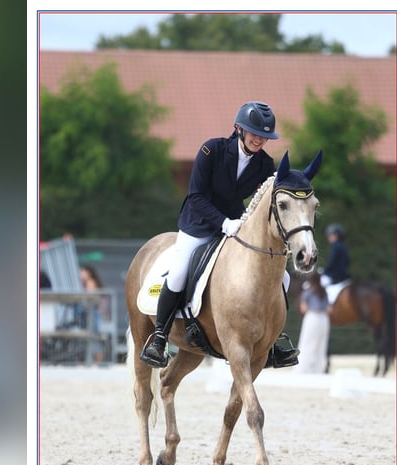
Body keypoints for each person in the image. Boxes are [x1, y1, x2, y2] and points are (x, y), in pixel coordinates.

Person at [140, 101, 299, 369]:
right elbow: (196, 196)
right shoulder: (211, 150)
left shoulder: (264, 164)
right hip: (198, 223)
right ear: (239, 129)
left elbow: (274, 194)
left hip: (236, 224)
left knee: (281, 276)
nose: (259, 139)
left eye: (264, 136)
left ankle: (271, 343)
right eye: (254, 133)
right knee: (179, 272)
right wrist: (223, 222)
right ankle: (159, 336)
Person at [296, 271, 331, 374]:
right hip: (324, 318)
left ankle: (305, 368)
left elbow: (303, 309)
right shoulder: (323, 291)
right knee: (321, 343)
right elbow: (329, 308)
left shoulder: (308, 291)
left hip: (312, 317)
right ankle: (317, 368)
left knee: (307, 342)